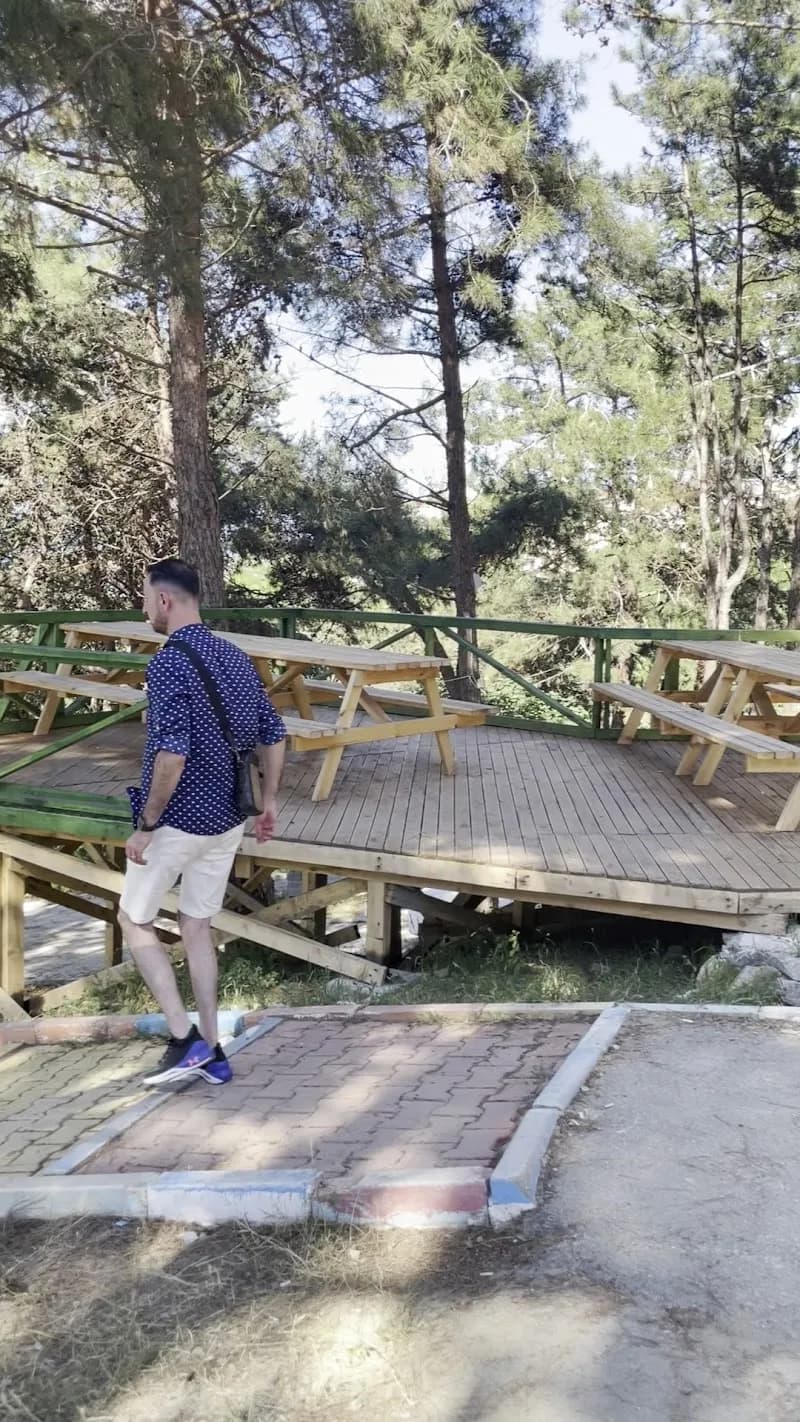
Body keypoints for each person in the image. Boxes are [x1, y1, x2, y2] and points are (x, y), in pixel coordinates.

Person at [118, 558, 286, 1087]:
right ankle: (214, 1048)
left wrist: (147, 822)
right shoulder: (235, 657)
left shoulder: (168, 663)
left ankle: (182, 1038)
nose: (144, 607)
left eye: (145, 598)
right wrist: (269, 803)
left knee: (134, 919)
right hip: (227, 820)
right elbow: (274, 734)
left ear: (164, 601)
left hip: (177, 822)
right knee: (197, 927)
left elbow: (171, 753)